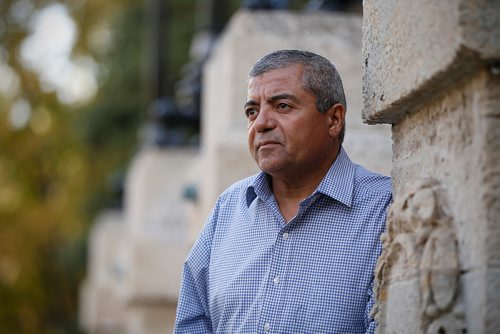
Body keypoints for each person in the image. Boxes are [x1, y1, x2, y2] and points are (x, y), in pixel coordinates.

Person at [174, 50, 392, 333]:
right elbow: (193, 324)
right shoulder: (228, 209)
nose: (261, 123)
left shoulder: (385, 208)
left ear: (334, 119)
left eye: (283, 106)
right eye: (252, 111)